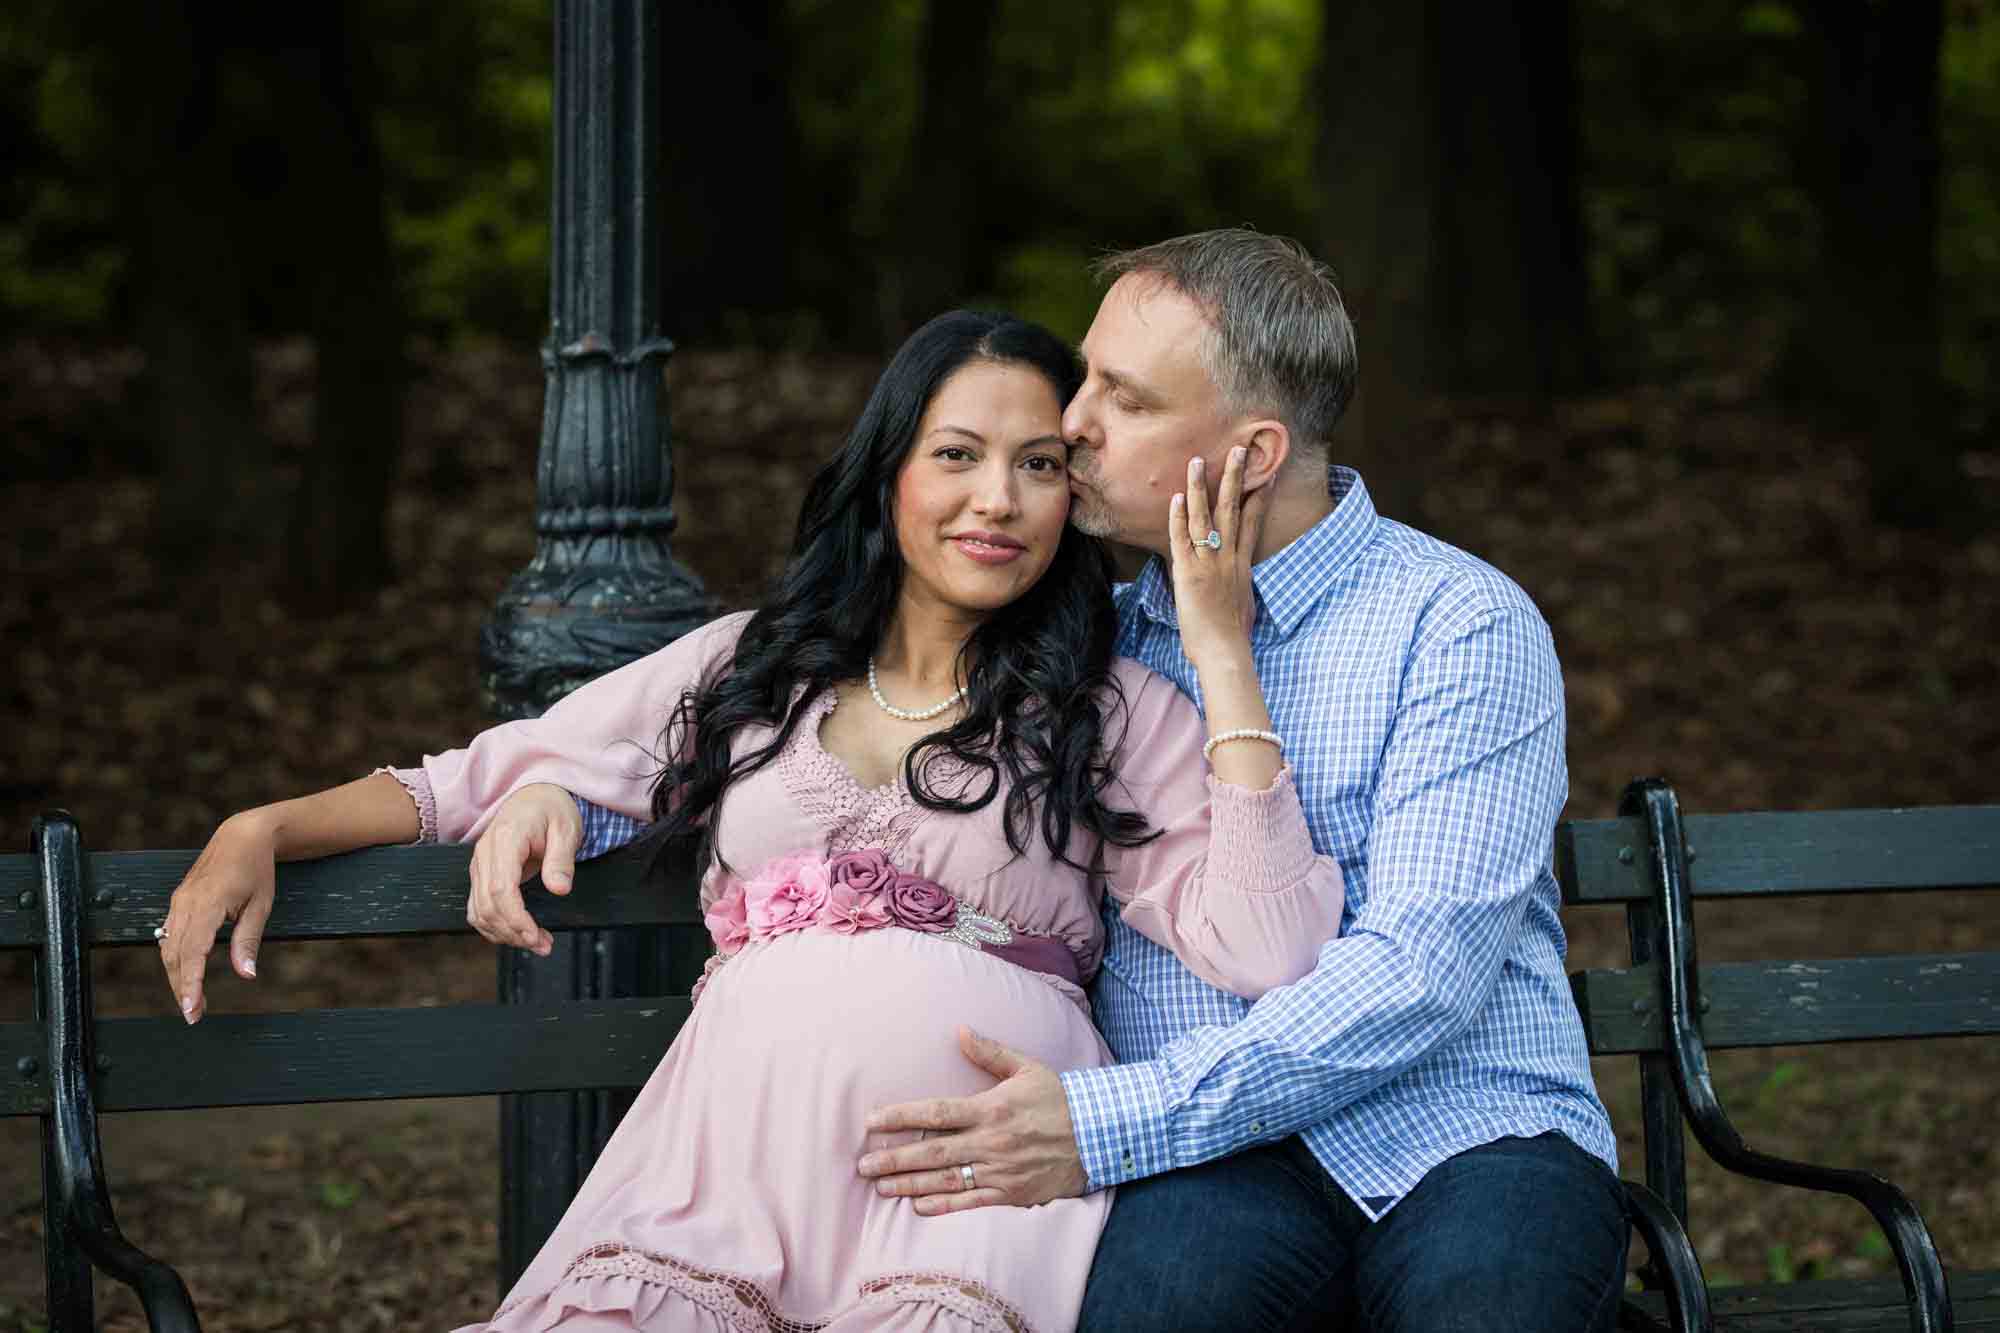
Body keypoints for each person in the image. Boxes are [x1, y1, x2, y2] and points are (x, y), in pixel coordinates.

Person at [156, 309, 1346, 1331]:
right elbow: (467, 777)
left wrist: (1220, 652)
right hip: (723, 1171)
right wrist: (263, 825)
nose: (999, 499)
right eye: (958, 454)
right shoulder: (749, 666)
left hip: (968, 1185)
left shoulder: (1109, 705)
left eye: (1040, 464)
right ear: (890, 473)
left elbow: (1270, 951)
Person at [836, 231, 1632, 1331]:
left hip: (1467, 1131)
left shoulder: (1456, 623)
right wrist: (556, 788)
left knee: (1489, 1307)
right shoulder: (1085, 652)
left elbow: (1419, 972)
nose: (1069, 424)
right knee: (1156, 1310)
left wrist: (1110, 1118)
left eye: (1122, 397)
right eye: (1086, 381)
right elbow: (824, 730)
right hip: (1216, 1166)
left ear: (1253, 454)